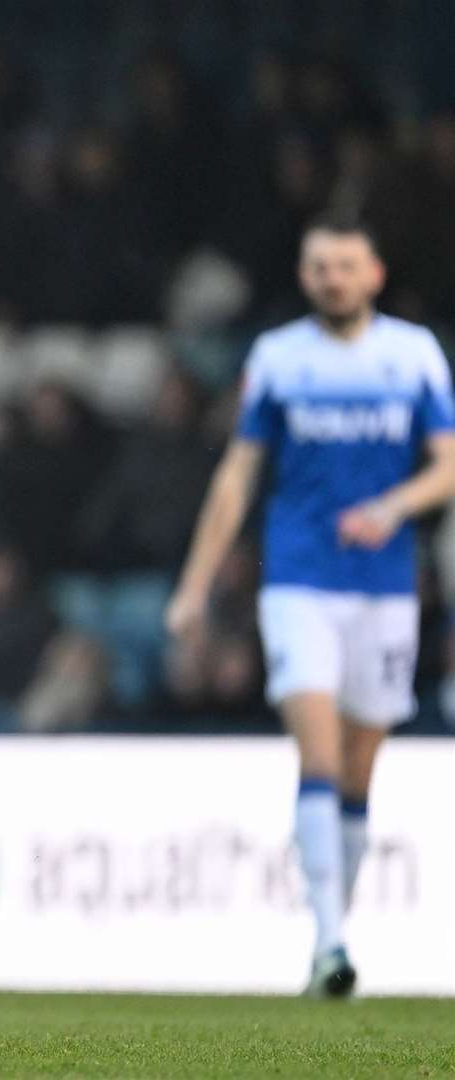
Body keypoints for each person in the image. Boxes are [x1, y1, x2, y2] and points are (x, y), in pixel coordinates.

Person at [166, 215, 455, 998]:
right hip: (298, 584)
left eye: (345, 265)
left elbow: (448, 469)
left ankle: (336, 930)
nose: (332, 278)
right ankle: (329, 944)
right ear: (304, 276)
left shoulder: (413, 356)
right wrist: (195, 589)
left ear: (374, 274)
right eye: (319, 266)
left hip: (387, 588)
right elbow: (237, 476)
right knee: (320, 755)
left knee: (360, 770)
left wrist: (394, 509)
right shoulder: (280, 359)